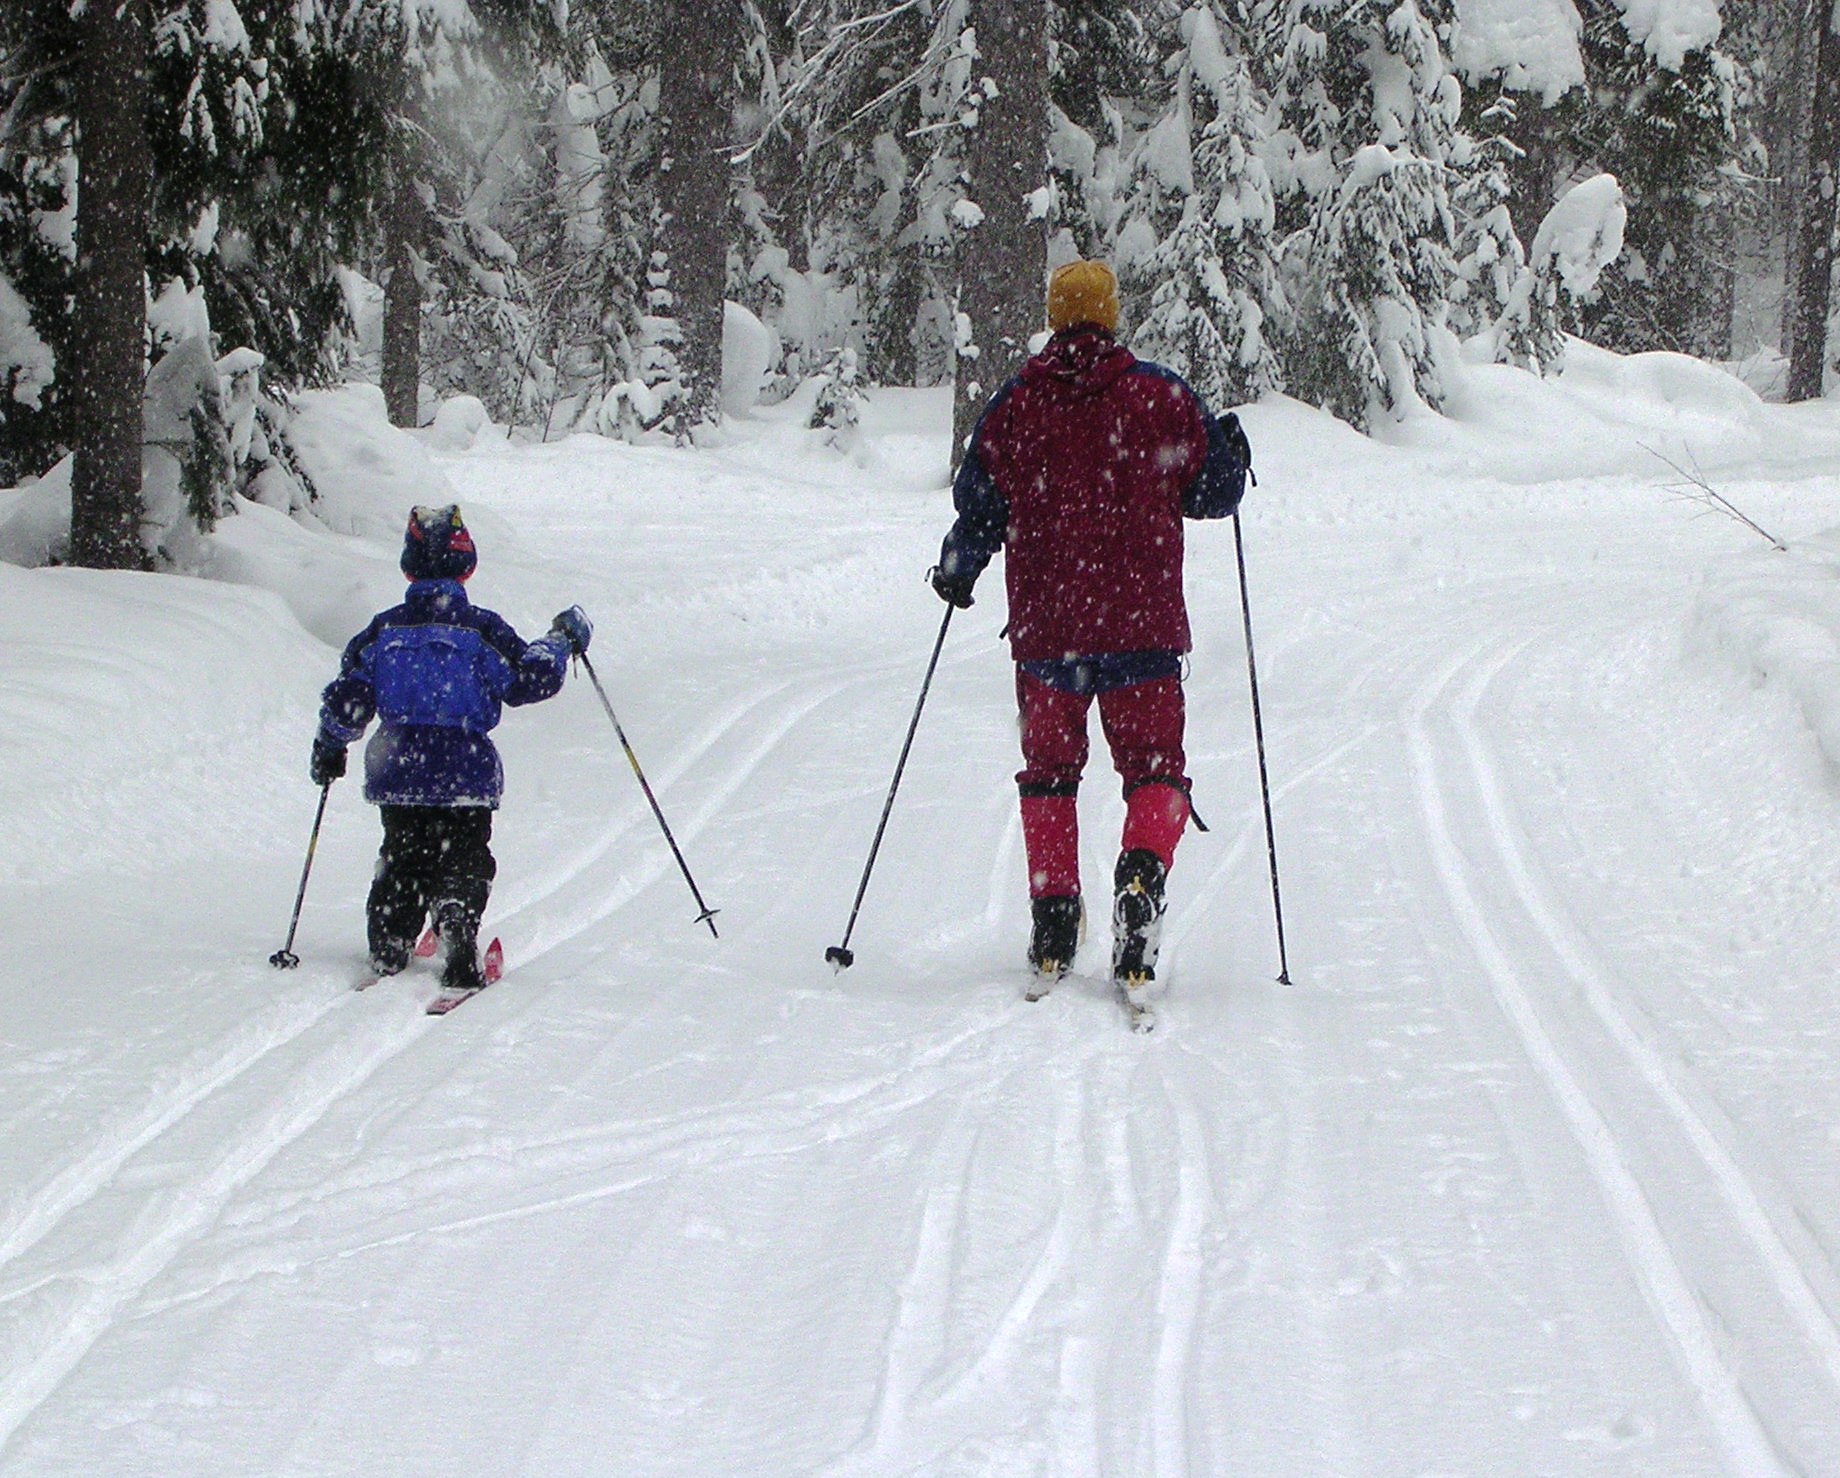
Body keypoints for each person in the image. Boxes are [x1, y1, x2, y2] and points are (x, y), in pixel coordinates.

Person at [931, 259, 1252, 1004]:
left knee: (1050, 770)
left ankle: (1052, 916)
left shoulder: (1015, 408)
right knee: (1153, 769)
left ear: (1055, 318)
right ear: (1110, 319)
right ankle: (1141, 870)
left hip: (1048, 634)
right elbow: (1214, 495)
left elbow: (978, 504)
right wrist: (1230, 454)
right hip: (1141, 627)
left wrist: (958, 569)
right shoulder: (1160, 397)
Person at [310, 504, 593, 993]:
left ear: (408, 566)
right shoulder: (480, 630)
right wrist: (562, 641)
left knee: (403, 855)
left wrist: (329, 745)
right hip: (465, 771)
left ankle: (391, 936)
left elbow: (349, 700)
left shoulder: (383, 632)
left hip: (399, 769)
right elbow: (530, 676)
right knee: (463, 852)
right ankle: (456, 915)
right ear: (467, 565)